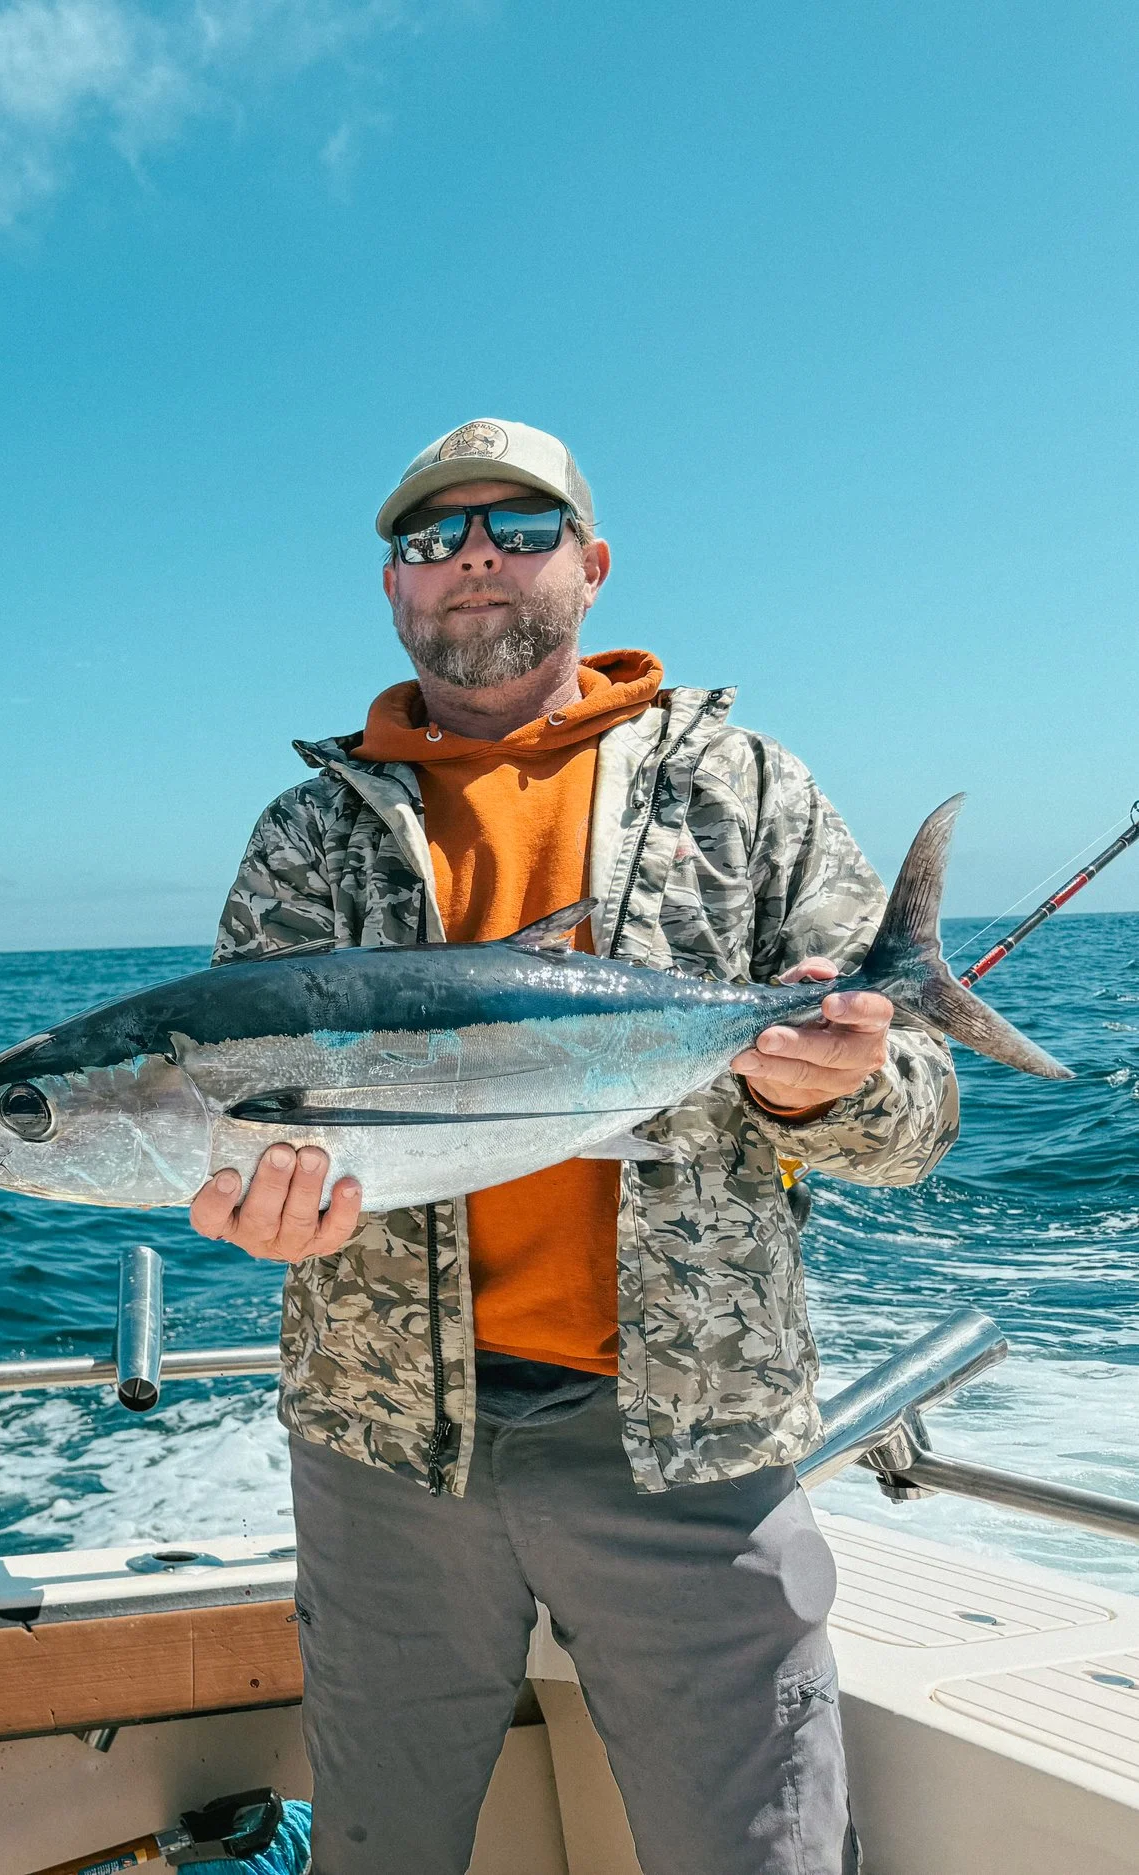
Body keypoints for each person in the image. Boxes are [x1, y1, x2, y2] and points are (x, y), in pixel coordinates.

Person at [189, 419, 957, 1874]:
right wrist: (250, 1210)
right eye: (432, 537)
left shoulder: (743, 791)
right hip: (385, 1456)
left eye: (519, 527)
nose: (473, 556)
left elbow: (917, 1120)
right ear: (394, 592)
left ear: (592, 567)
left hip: (690, 1450)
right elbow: (238, 1118)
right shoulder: (310, 834)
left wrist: (822, 1090)